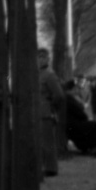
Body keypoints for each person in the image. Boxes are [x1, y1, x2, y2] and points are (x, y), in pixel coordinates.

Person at [63, 79, 96, 156]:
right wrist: (86, 118)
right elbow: (78, 112)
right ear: (73, 88)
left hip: (71, 123)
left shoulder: (68, 97)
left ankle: (91, 147)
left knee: (92, 125)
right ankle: (94, 148)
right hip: (73, 124)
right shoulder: (69, 98)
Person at [38, 48, 65, 177]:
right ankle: (43, 166)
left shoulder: (49, 75)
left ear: (47, 59)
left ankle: (51, 168)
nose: (40, 59)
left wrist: (51, 106)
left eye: (43, 57)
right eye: (39, 57)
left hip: (46, 112)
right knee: (41, 142)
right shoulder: (38, 73)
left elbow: (59, 95)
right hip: (38, 112)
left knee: (47, 142)